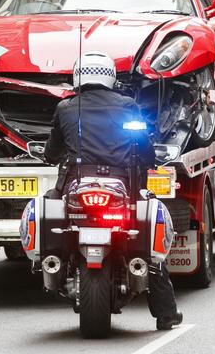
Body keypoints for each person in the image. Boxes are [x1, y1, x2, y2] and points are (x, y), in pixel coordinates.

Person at [43, 51, 183, 331]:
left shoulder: (66, 108)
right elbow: (143, 145)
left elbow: (52, 151)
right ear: (109, 76)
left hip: (76, 186)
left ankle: (52, 263)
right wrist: (150, 160)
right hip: (122, 188)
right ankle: (165, 313)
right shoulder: (128, 105)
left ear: (78, 76)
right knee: (146, 244)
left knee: (51, 210)